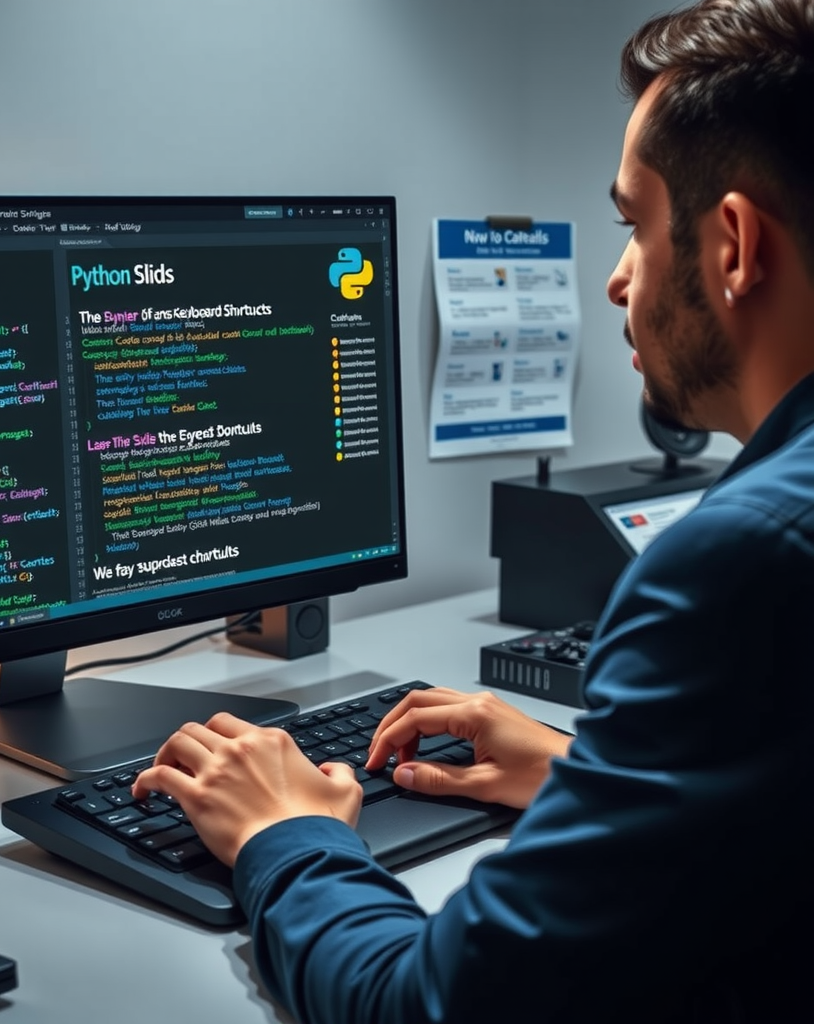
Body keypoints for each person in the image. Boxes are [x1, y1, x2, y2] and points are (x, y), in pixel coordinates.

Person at [134, 1, 814, 1019]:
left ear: (730, 245)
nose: (617, 276)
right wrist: (602, 783)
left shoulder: (738, 563)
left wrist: (286, 835)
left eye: (632, 223)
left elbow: (435, 1006)